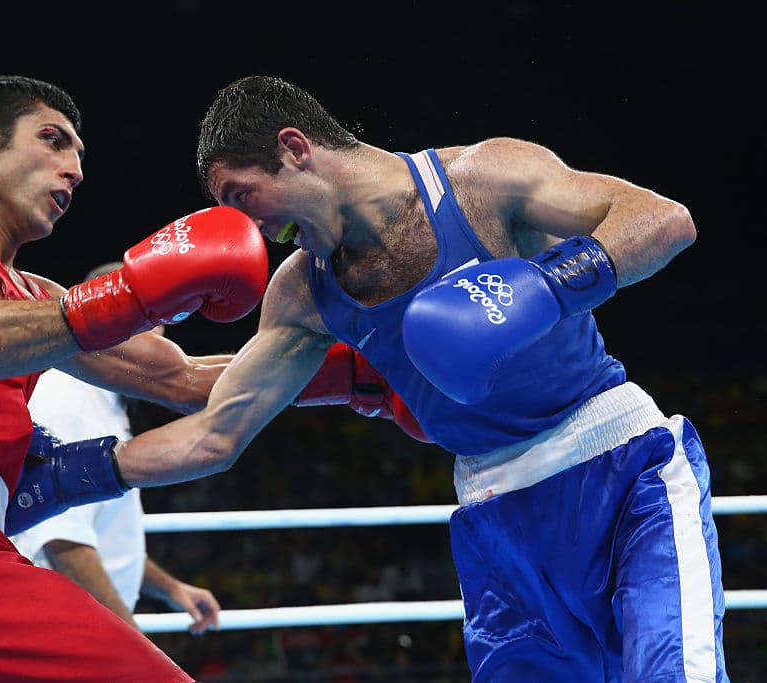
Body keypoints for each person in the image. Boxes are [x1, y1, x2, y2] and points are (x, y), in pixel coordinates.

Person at [59, 75, 729, 682]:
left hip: (620, 471)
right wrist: (71, 474)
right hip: (497, 517)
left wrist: (547, 286)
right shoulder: (304, 294)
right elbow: (214, 432)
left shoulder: (481, 179)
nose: (253, 228)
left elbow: (662, 219)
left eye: (244, 197)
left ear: (295, 147)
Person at [0, 74, 271, 683]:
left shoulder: (36, 299)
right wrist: (133, 297)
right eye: (53, 141)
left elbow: (186, 378)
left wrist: (348, 367)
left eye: (79, 156)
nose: (75, 170)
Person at [9, 262, 221, 636]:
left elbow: (102, 530)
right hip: (71, 628)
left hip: (86, 623)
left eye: (159, 323)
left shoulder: (104, 400)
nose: (159, 338)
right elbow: (63, 544)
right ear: (104, 319)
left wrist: (169, 588)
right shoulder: (68, 400)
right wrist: (131, 641)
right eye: (146, 320)